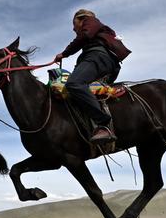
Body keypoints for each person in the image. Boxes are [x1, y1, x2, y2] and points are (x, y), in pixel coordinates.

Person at [54, 9, 131, 143]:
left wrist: (64, 53)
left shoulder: (90, 21)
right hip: (103, 61)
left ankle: (103, 124)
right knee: (79, 92)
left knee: (74, 84)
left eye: (74, 24)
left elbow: (84, 36)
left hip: (97, 58)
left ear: (81, 19)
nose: (73, 29)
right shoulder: (96, 30)